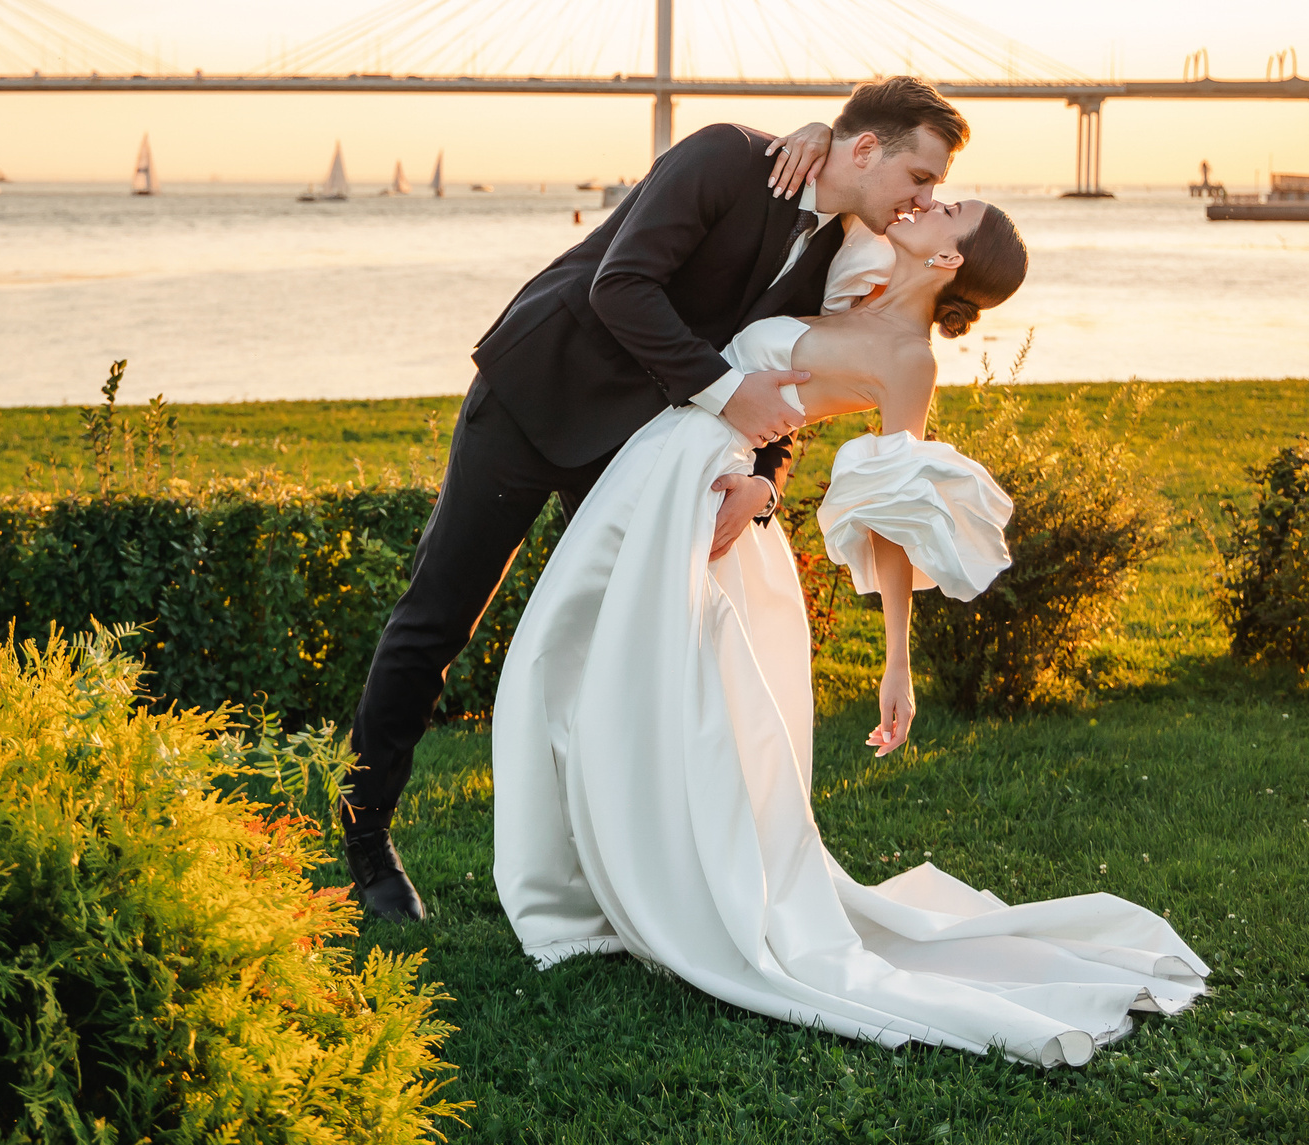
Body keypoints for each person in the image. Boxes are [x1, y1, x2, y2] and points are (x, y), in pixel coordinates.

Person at [492, 197, 1209, 1066]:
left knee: (643, 695)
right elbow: (849, 161)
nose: (930, 201)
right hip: (659, 469)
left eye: (949, 209)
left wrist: (896, 663)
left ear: (949, 261)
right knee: (556, 662)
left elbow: (892, 513)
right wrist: (808, 135)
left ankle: (643, 888)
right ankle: (578, 884)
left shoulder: (908, 359)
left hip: (705, 498)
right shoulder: (859, 266)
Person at [340, 75, 969, 921]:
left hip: (640, 449)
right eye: (919, 178)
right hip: (538, 392)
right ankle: (366, 839)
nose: (925, 197)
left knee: (636, 646)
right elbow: (621, 285)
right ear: (864, 150)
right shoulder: (723, 156)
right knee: (436, 618)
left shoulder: (844, 253)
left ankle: (611, 859)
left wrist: (764, 486)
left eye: (934, 190)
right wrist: (723, 394)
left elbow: (784, 373)